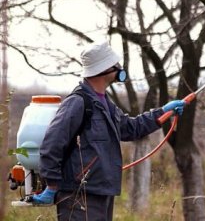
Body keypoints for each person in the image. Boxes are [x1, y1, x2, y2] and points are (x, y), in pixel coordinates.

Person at [32, 41, 185, 221]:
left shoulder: (106, 103)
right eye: (115, 65)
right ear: (103, 69)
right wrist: (51, 185)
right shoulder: (78, 102)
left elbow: (131, 128)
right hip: (79, 195)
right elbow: (52, 143)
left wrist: (162, 112)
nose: (119, 68)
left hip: (102, 192)